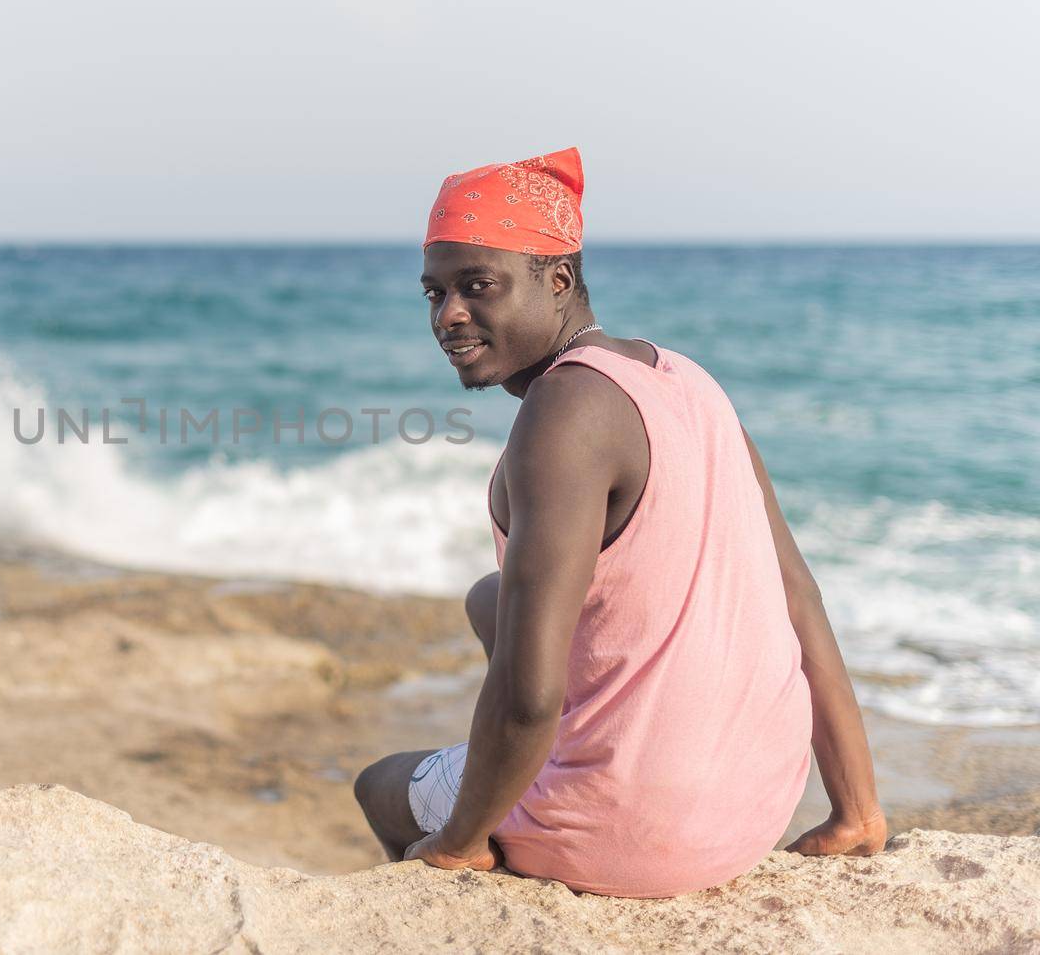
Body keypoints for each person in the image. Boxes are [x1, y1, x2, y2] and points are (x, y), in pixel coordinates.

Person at [353, 147, 888, 898]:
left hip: (630, 832)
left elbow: (527, 694)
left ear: (559, 279)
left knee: (380, 786)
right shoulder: (689, 380)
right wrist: (857, 808)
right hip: (753, 806)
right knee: (491, 598)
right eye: (434, 293)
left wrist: (458, 841)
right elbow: (800, 599)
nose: (449, 316)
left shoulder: (564, 411)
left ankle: (482, 865)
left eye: (478, 287)